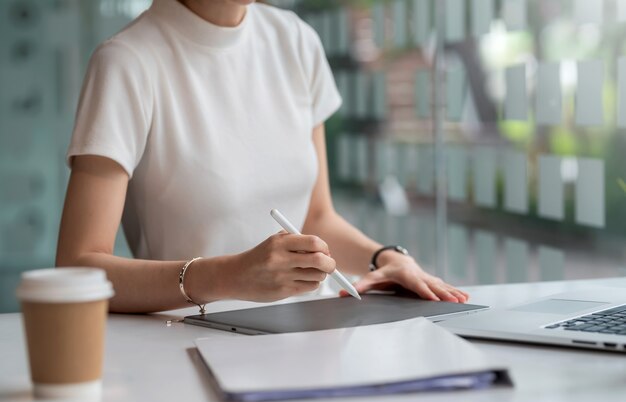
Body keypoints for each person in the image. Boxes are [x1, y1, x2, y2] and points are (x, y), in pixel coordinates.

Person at [56, 0, 469, 313]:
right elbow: (78, 269)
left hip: (311, 333)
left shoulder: (295, 40)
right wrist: (228, 276)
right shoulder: (127, 62)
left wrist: (385, 259)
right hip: (189, 340)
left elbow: (315, 218)